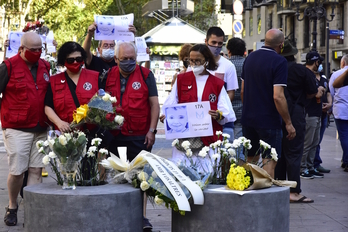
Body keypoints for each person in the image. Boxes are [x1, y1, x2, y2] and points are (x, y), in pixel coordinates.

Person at [100, 41, 159, 230]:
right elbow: (99, 103)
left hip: (139, 135)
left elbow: (154, 105)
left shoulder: (146, 75)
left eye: (132, 58)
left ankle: (141, 217)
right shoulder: (107, 75)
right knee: (117, 178)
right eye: (124, 59)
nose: (128, 62)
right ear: (116, 59)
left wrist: (152, 130)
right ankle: (118, 215)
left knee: (141, 179)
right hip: (114, 135)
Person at [0, 32, 50, 226]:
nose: (38, 53)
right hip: (17, 127)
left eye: (40, 49)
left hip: (41, 127)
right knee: (17, 170)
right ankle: (12, 206)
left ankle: (33, 208)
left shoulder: (45, 66)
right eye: (33, 50)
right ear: (21, 49)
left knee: (36, 170)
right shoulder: (8, 66)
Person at [161, 44, 236, 171]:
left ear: (206, 61)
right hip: (185, 139)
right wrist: (167, 115)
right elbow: (171, 102)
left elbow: (227, 112)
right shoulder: (181, 79)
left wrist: (218, 115)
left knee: (207, 173)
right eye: (191, 60)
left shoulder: (216, 83)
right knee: (182, 174)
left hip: (208, 139)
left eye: (198, 61)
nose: (194, 64)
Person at [241, 29, 296, 178]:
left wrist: (249, 109)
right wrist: (288, 123)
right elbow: (278, 96)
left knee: (250, 160)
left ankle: (249, 194)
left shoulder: (250, 58)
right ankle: (265, 198)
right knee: (269, 162)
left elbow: (243, 91)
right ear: (281, 44)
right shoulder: (279, 61)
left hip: (248, 119)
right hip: (269, 120)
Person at [274, 40, 318, 203]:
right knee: (293, 152)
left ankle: (279, 186)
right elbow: (312, 91)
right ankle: (293, 191)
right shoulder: (301, 70)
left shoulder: (275, 68)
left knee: (277, 154)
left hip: (276, 112)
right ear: (293, 54)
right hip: (296, 113)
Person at [44, 42, 99, 132]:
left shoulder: (95, 77)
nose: (75, 62)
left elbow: (103, 102)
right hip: (64, 136)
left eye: (78, 59)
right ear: (63, 61)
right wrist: (59, 122)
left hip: (91, 135)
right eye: (70, 60)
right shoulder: (54, 81)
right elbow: (48, 107)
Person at [205, 27, 238, 142]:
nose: (216, 46)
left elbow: (231, 93)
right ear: (206, 42)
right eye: (213, 42)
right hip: (201, 121)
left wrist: (219, 112)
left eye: (220, 43)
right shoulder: (197, 65)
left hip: (223, 122)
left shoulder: (228, 66)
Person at [300, 51, 326, 179]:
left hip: (316, 113)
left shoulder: (313, 75)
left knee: (314, 142)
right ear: (315, 62)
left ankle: (310, 167)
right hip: (309, 113)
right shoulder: (307, 75)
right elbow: (314, 93)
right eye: (319, 62)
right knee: (307, 143)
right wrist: (319, 90)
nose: (319, 64)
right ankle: (303, 168)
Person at [226, 37, 246, 160]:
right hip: (243, 108)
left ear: (229, 51)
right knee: (240, 143)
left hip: (227, 108)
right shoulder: (247, 64)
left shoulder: (225, 65)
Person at [329, 54, 348, 172]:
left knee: (344, 136)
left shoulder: (336, 74)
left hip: (341, 110)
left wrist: (330, 107)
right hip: (341, 110)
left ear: (342, 63)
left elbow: (331, 91)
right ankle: (345, 160)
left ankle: (347, 160)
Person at [313, 69, 332, 174]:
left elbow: (328, 92)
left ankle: (316, 163)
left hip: (324, 114)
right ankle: (310, 164)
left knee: (318, 140)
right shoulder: (310, 78)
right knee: (312, 141)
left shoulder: (324, 79)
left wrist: (329, 103)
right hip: (314, 113)